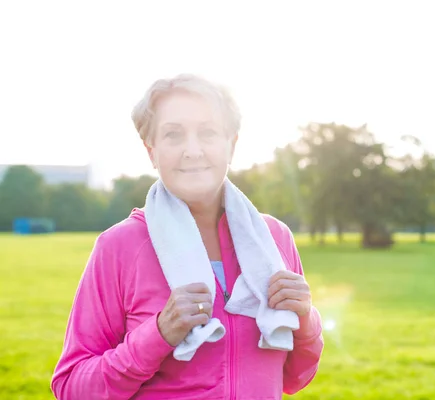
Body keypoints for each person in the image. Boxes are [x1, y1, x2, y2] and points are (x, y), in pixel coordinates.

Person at [50, 74, 324, 399]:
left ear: (231, 145)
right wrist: (158, 334)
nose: (192, 151)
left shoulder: (274, 238)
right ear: (151, 151)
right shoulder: (118, 247)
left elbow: (294, 378)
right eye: (173, 135)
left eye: (207, 132)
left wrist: (305, 318)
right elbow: (71, 388)